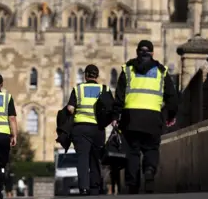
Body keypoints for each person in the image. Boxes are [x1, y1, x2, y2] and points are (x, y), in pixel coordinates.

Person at [114, 40, 178, 194]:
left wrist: (115, 116)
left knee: (132, 151)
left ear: (137, 52)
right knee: (150, 149)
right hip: (153, 118)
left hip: (130, 118)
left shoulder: (128, 70)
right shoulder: (161, 72)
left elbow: (119, 96)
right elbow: (172, 97)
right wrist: (171, 115)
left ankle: (133, 184)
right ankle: (149, 170)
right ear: (152, 53)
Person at [67, 64, 114, 196]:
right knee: (95, 158)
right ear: (97, 76)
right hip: (98, 128)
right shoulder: (104, 89)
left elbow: (70, 108)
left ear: (85, 75)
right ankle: (95, 188)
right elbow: (112, 108)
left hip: (81, 128)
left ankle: (83, 188)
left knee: (82, 158)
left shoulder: (78, 89)